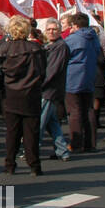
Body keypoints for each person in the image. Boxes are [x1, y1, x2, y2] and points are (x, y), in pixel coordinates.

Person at [0, 15, 46, 175]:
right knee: (31, 133)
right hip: (31, 94)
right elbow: (42, 72)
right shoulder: (36, 48)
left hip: (10, 94)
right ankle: (34, 165)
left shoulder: (3, 48)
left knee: (12, 132)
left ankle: (9, 164)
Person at [64, 12, 103, 153]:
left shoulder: (72, 39)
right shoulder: (94, 38)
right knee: (88, 110)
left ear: (74, 25)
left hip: (73, 78)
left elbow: (64, 56)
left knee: (74, 111)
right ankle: (90, 143)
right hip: (89, 76)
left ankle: (76, 143)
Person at [39, 18, 72, 160]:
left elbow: (52, 70)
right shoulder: (50, 46)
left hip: (49, 89)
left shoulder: (60, 46)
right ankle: (62, 150)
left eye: (54, 29)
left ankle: (32, 149)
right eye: (49, 29)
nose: (51, 32)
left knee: (40, 122)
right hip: (50, 89)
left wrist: (40, 85)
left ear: (60, 31)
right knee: (52, 123)